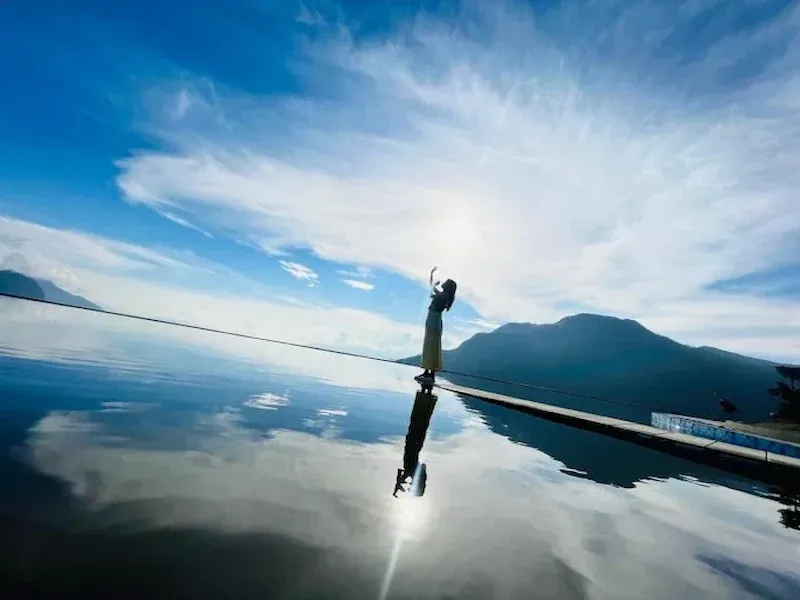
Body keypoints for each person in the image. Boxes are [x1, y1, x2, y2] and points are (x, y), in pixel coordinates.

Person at [417, 268, 457, 383]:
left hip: (433, 319)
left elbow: (432, 291)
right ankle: (428, 373)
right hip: (434, 319)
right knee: (431, 345)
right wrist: (431, 275)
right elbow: (432, 290)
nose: (443, 283)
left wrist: (433, 280)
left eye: (445, 282)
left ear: (447, 286)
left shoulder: (444, 296)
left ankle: (429, 374)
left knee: (430, 345)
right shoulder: (445, 295)